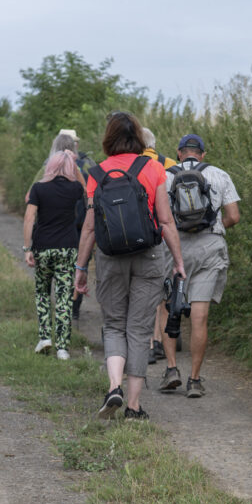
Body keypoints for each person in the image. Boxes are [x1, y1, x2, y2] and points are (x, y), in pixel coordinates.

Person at [75, 112, 185, 420]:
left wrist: (80, 269)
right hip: (148, 256)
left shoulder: (97, 172)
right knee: (138, 329)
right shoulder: (152, 168)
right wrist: (178, 262)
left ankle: (114, 388)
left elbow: (90, 227)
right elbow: (165, 221)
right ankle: (134, 407)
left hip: (110, 257)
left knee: (113, 324)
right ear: (138, 137)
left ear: (108, 138)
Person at [157, 134, 240, 397]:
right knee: (199, 315)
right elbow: (234, 217)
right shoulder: (219, 175)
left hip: (175, 248)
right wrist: (214, 229)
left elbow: (157, 217)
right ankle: (194, 379)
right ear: (202, 154)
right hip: (209, 248)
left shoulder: (165, 176)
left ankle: (171, 369)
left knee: (168, 308)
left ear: (179, 153)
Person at [23, 150, 84, 359]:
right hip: (67, 248)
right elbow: (87, 189)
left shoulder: (39, 188)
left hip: (43, 247)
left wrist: (27, 248)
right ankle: (63, 348)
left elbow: (29, 217)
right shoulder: (74, 188)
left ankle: (45, 337)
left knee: (42, 292)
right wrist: (74, 164)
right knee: (64, 297)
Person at [141, 127, 178, 364]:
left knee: (144, 289)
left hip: (141, 235)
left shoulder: (132, 164)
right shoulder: (171, 164)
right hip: (166, 233)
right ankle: (160, 340)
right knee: (163, 289)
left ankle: (147, 342)